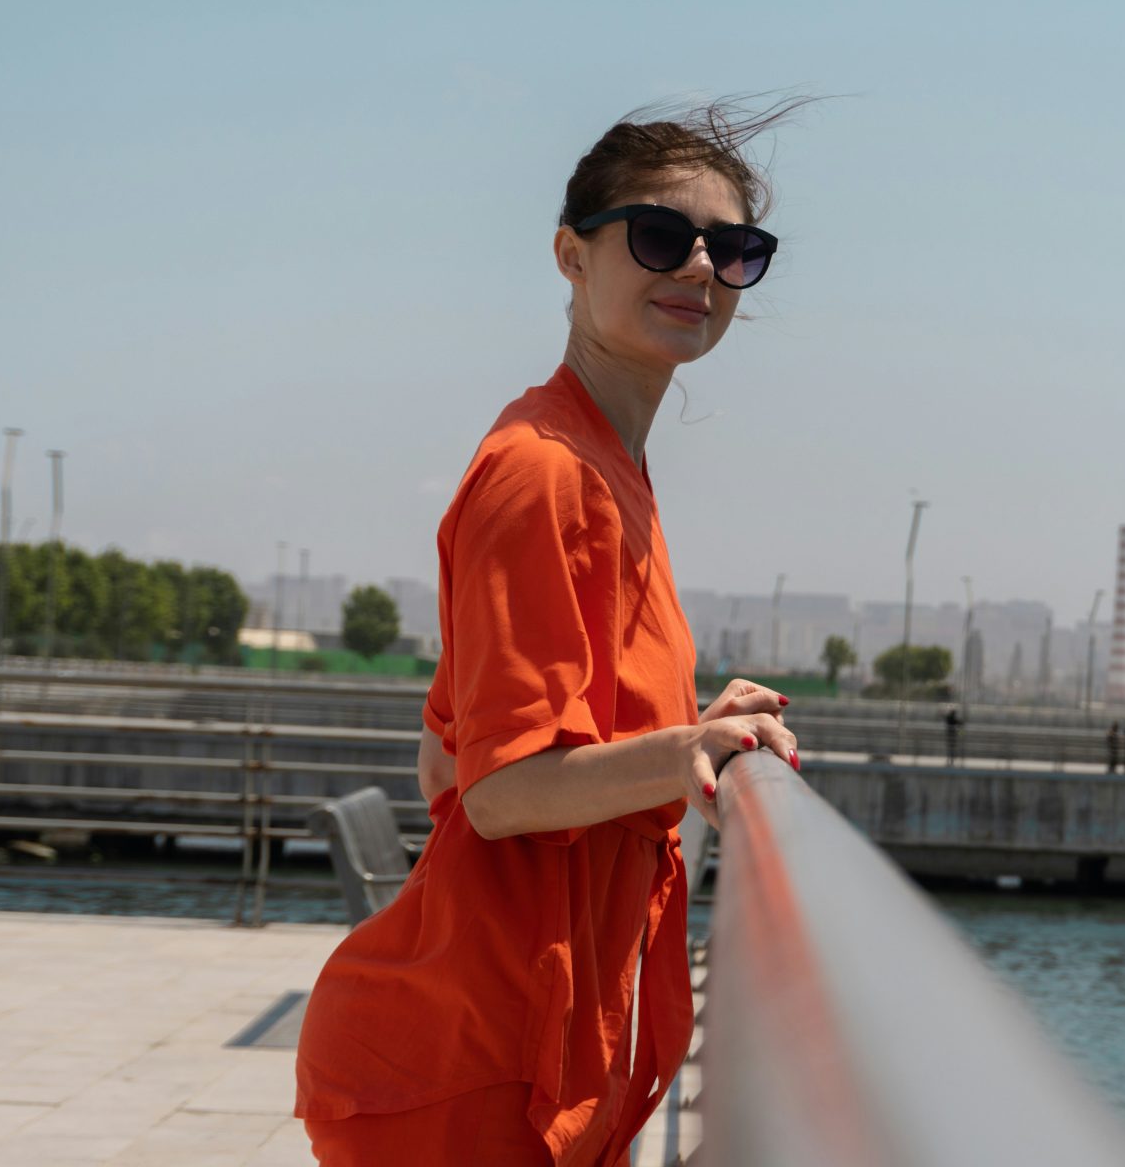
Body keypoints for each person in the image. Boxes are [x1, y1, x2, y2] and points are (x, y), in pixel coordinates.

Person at [294, 99, 807, 1166]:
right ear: (572, 253)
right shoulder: (545, 470)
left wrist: (680, 728)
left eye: (735, 248)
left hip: (540, 1052)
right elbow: (497, 785)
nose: (700, 267)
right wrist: (683, 754)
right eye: (661, 236)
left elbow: (452, 741)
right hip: (474, 1072)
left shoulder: (607, 465)